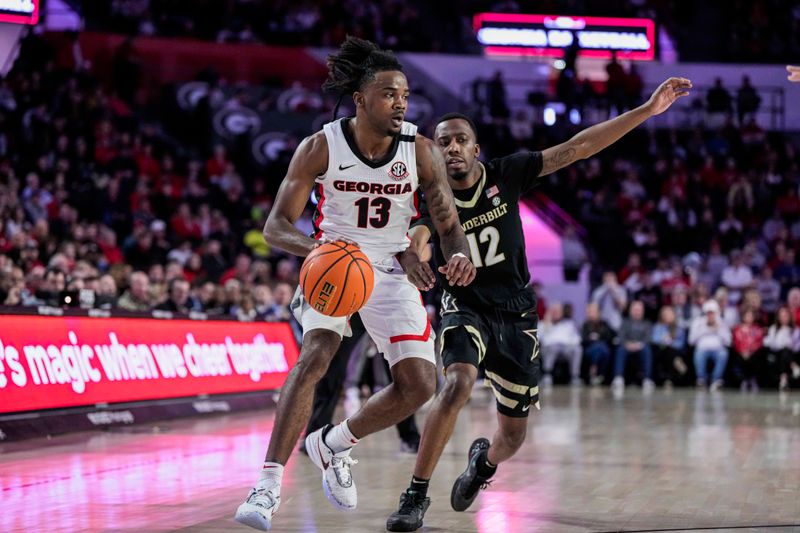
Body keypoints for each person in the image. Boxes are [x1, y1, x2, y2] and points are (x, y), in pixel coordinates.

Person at [387, 74, 692, 532]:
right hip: (464, 305)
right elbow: (419, 237)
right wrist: (413, 257)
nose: (451, 148)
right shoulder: (432, 196)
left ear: (476, 148)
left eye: (460, 140)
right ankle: (416, 495)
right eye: (443, 141)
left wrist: (646, 111)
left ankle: (482, 466)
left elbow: (577, 147)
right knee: (456, 385)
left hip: (516, 312)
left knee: (512, 435)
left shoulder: (507, 173)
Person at [234, 36, 475, 532]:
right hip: (333, 263)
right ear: (361, 99)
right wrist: (320, 251)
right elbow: (276, 226)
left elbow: (449, 224)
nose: (401, 103)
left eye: (405, 95)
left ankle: (333, 443)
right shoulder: (321, 145)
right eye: (389, 94)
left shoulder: (422, 151)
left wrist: (460, 259)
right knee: (316, 356)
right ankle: (267, 486)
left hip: (390, 268)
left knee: (420, 385)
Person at [611, 300, 655, 393]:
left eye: (639, 310)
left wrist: (639, 345)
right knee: (620, 349)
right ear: (630, 310)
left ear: (642, 311)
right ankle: (619, 377)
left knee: (647, 350)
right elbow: (621, 336)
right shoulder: (625, 322)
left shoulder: (647, 323)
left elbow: (648, 338)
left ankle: (647, 379)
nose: (637, 312)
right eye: (635, 309)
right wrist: (627, 344)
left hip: (641, 347)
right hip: (627, 346)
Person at [689, 299, 732, 391]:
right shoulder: (698, 322)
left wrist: (718, 329)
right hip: (702, 349)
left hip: (718, 349)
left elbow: (728, 341)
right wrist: (705, 328)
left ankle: (716, 380)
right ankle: (701, 379)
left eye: (712, 313)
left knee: (723, 354)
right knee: (699, 354)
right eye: (708, 313)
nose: (710, 315)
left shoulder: (722, 322)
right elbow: (691, 341)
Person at [764, 306, 799, 391]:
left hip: (792, 353)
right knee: (783, 351)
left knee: (786, 351)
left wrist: (788, 346)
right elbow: (770, 343)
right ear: (778, 317)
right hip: (776, 354)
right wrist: (782, 345)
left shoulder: (795, 330)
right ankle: (794, 366)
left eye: (785, 316)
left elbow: (797, 346)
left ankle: (783, 378)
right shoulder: (773, 329)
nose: (783, 318)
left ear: (789, 317)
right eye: (781, 316)